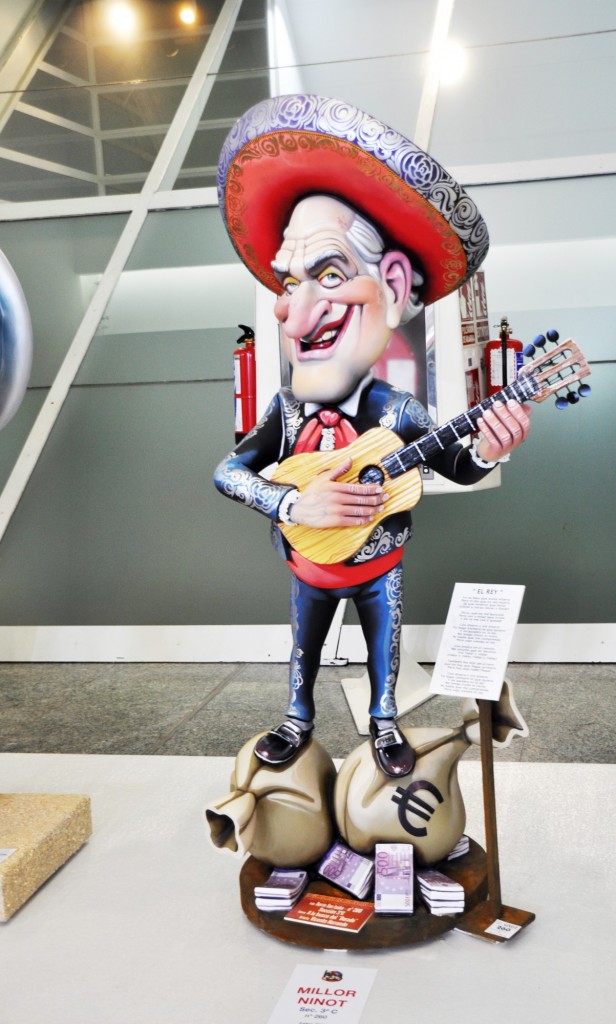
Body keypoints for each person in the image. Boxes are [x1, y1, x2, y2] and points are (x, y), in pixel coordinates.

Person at [214, 95, 531, 778]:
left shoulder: (399, 409)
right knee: (303, 649)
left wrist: (488, 448)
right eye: (287, 282)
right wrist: (292, 503)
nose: (293, 313)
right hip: (307, 562)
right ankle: (297, 718)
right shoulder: (285, 412)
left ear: (391, 286)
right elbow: (228, 472)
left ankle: (385, 721)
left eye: (329, 274)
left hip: (380, 563)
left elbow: (457, 463)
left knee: (383, 644)